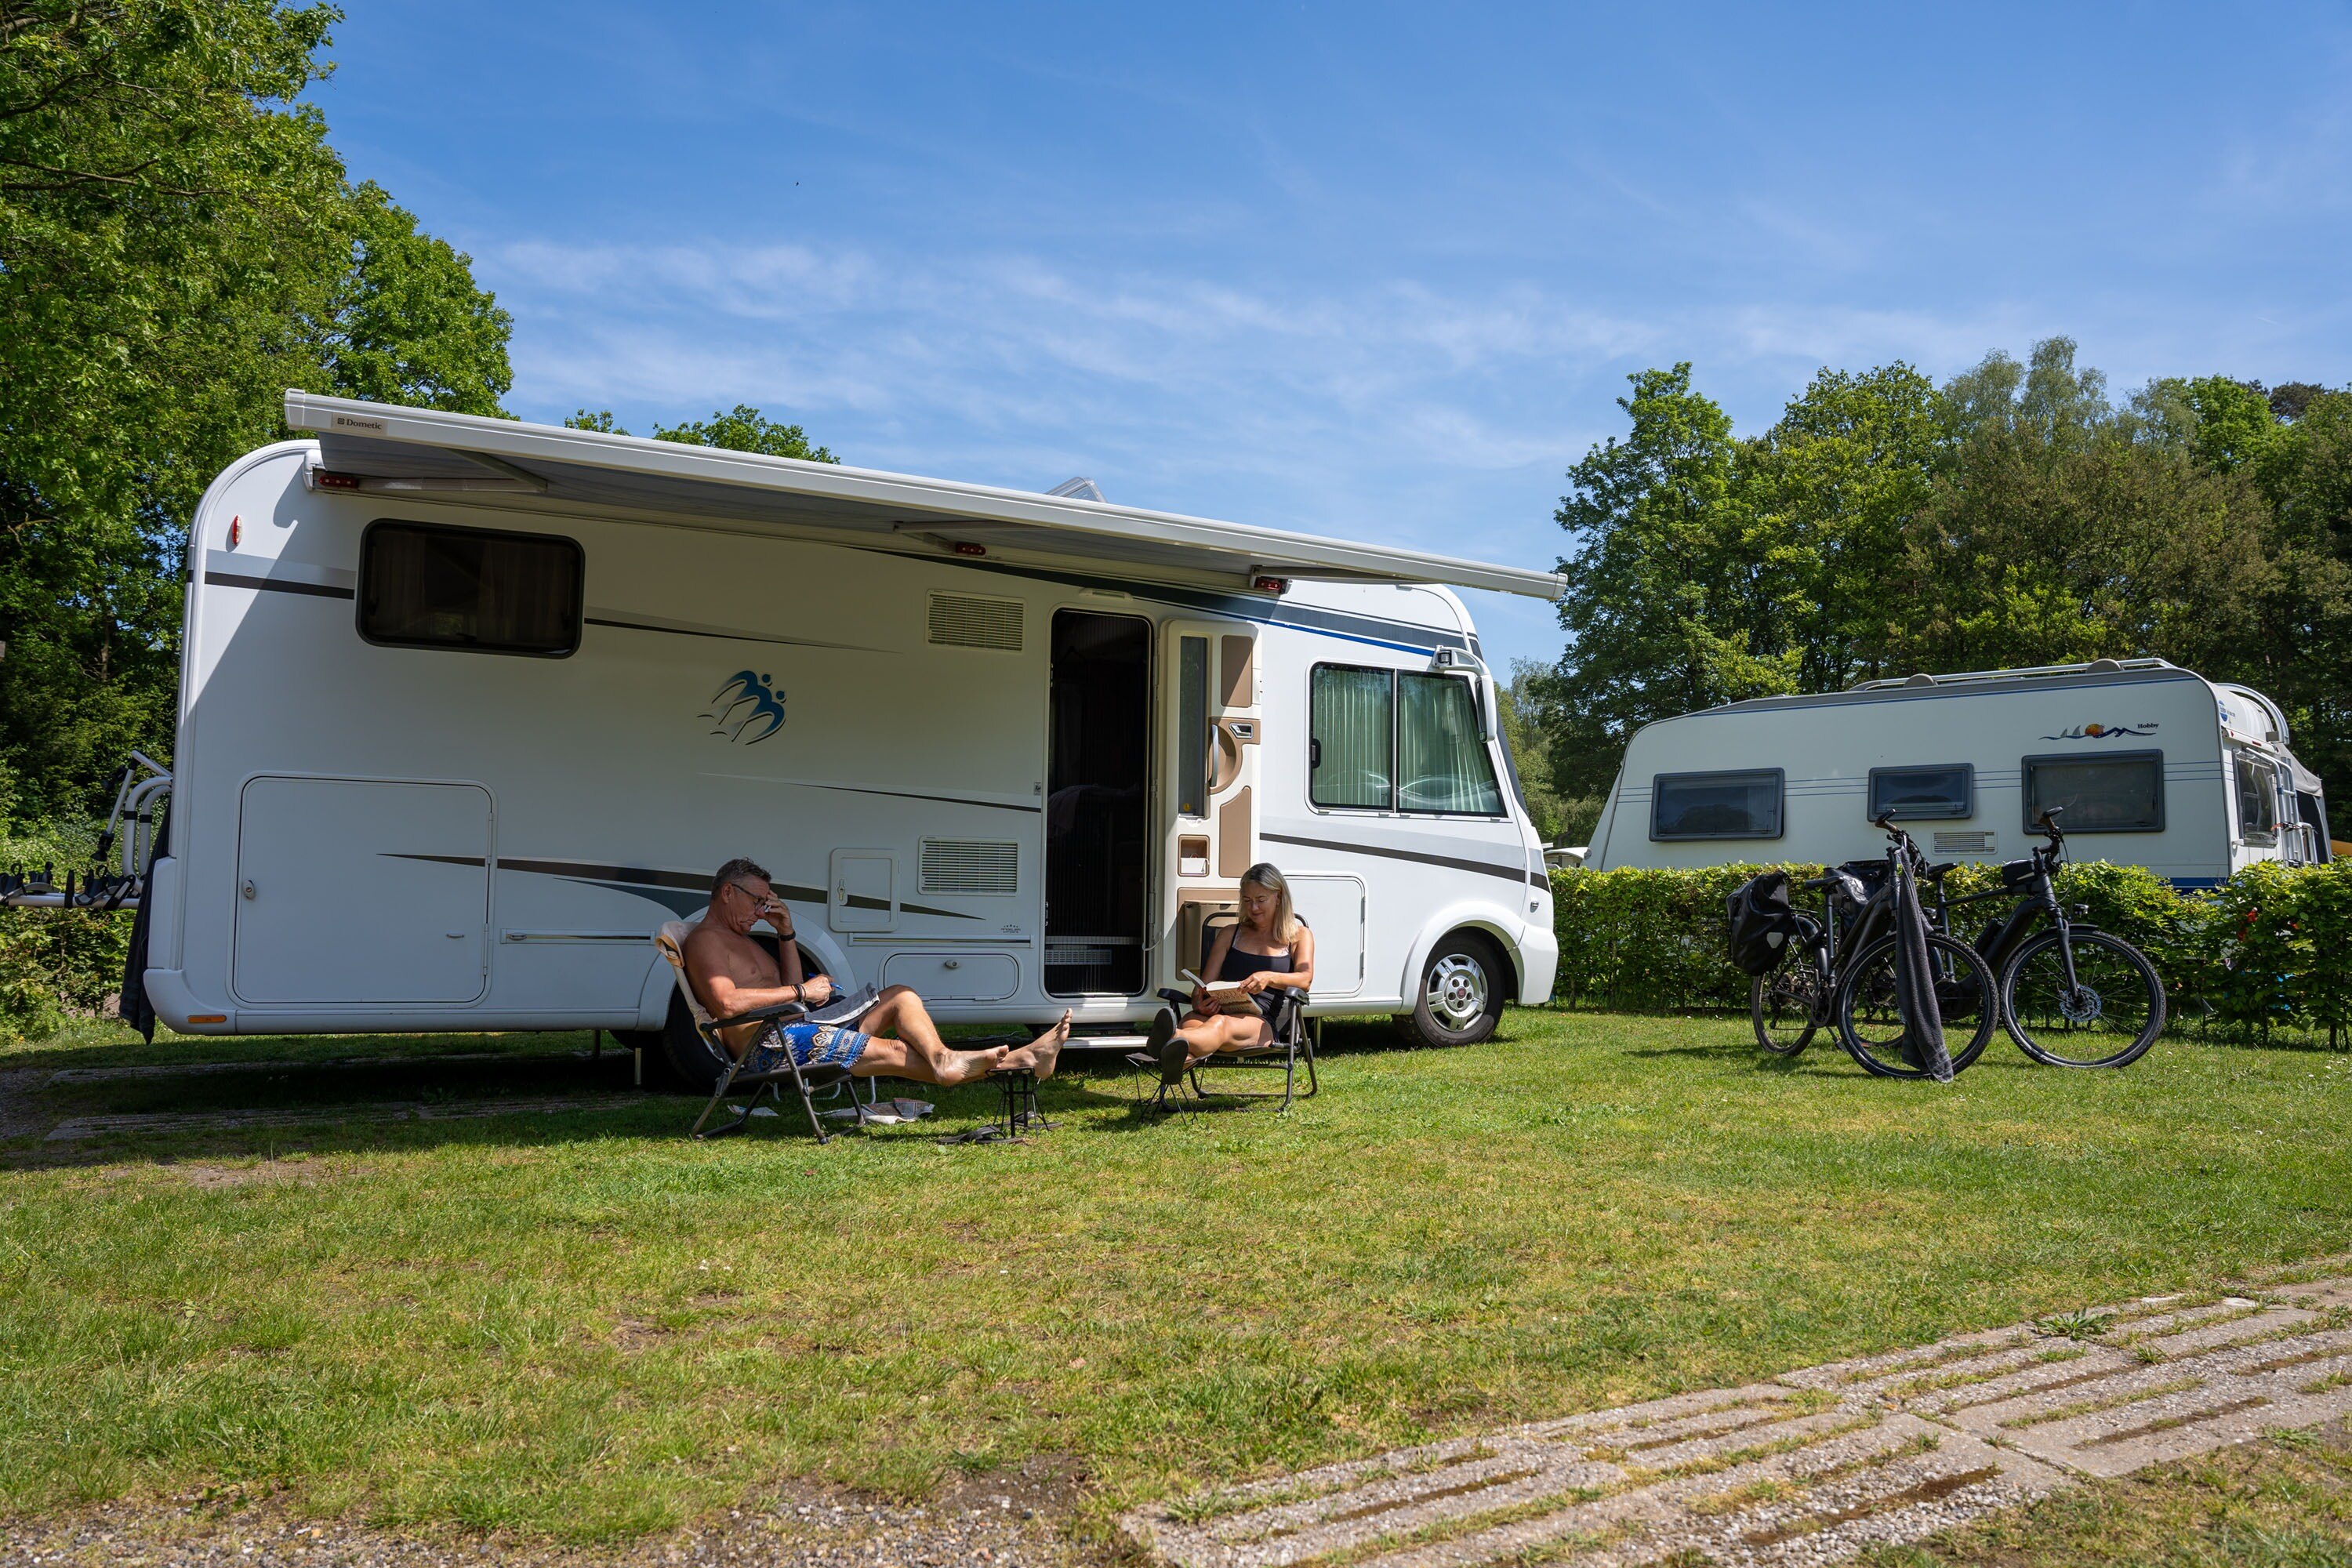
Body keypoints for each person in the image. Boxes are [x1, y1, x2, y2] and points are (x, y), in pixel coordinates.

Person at [684, 857, 1069, 1086]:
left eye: (766, 903)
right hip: (769, 1048)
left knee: (900, 994)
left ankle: (943, 1058)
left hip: (799, 1029)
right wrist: (803, 993)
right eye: (757, 901)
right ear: (727, 892)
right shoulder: (706, 941)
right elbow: (726, 1002)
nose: (760, 911)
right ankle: (1015, 1062)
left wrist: (786, 934)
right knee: (896, 1050)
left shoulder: (743, 938)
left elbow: (786, 984)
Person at [1149, 862, 1315, 1071]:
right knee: (1194, 1024)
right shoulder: (1230, 933)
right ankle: (1173, 1060)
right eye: (1247, 900)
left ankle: (1170, 1037)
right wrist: (1199, 1003)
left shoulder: (1297, 935)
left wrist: (1269, 978)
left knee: (1219, 1025)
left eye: (1260, 900)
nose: (1253, 908)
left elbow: (1305, 979)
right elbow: (1203, 987)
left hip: (1258, 1021)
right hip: (1217, 1012)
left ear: (1279, 897)